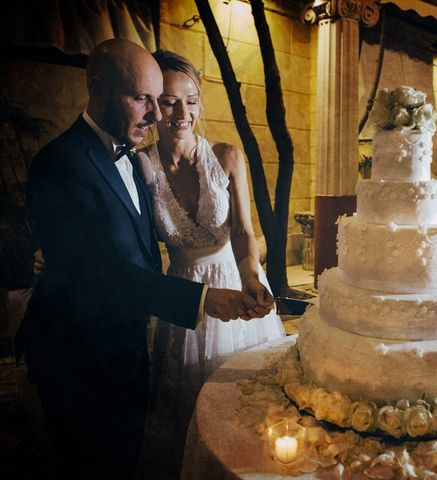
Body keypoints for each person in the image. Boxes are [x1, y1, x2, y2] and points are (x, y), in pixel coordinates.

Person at [16, 39, 271, 480]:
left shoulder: (133, 161)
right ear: (97, 89)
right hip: (80, 357)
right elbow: (97, 272)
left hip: (133, 339)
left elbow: (129, 244)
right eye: (145, 100)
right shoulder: (63, 163)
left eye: (168, 101)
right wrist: (202, 299)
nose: (159, 116)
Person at [136, 49, 285, 479]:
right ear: (151, 103)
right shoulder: (140, 167)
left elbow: (242, 231)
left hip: (235, 280)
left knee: (242, 400)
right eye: (168, 101)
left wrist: (252, 275)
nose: (182, 112)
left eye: (191, 100)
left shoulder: (228, 156)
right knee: (187, 400)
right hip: (185, 293)